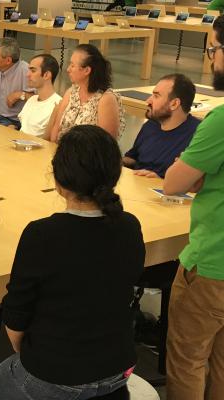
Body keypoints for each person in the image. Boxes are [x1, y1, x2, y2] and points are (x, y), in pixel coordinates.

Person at [0, 124, 145, 400]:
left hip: (58, 375)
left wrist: (37, 359)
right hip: (118, 369)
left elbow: (15, 321)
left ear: (59, 180)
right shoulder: (129, 225)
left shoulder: (41, 234)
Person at [163, 15, 224, 400]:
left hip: (211, 264)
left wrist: (191, 167)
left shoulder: (219, 122)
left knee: (187, 361)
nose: (211, 59)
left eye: (214, 49)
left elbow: (174, 183)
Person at [123, 74, 199, 179]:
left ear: (174, 104)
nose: (148, 101)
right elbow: (133, 158)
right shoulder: (150, 125)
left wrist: (161, 180)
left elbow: (196, 183)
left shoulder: (198, 135)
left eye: (156, 96)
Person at [47, 44, 125, 142]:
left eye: (72, 65)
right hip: (63, 152)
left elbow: (106, 144)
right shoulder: (71, 92)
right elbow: (56, 128)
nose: (68, 70)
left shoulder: (106, 99)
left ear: (87, 70)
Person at [17, 53, 61, 138]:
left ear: (46, 75)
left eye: (33, 71)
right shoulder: (32, 99)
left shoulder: (57, 104)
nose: (27, 75)